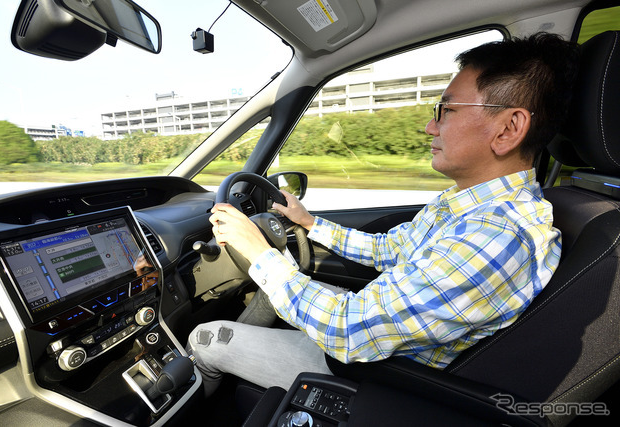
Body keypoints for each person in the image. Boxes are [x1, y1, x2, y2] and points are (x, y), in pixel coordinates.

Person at [187, 33, 580, 394]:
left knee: (204, 337)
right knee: (280, 295)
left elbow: (349, 329)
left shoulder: (497, 235)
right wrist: (309, 223)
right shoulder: (473, 206)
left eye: (446, 110)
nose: (430, 126)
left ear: (509, 128)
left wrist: (260, 253)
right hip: (384, 337)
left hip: (377, 376)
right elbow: (388, 250)